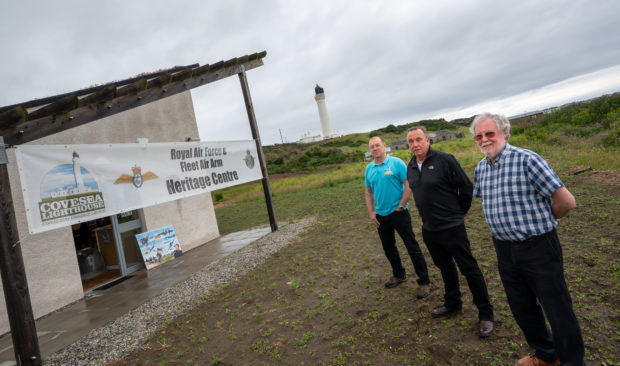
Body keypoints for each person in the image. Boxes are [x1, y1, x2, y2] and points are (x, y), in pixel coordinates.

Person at [471, 113, 585, 366]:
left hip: (539, 246)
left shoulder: (527, 160)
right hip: (504, 249)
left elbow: (567, 202)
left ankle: (572, 362)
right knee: (522, 307)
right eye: (479, 136)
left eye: (489, 133)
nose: (484, 139)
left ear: (503, 132)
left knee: (558, 310)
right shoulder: (481, 168)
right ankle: (546, 355)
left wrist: (546, 221)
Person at [406, 126, 494, 338]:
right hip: (430, 229)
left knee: (469, 268)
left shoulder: (445, 160)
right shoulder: (410, 166)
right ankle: (453, 303)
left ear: (427, 140)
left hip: (452, 227)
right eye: (411, 141)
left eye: (419, 139)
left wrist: (460, 212)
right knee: (445, 267)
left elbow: (465, 187)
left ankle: (486, 314)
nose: (415, 144)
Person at [364, 136, 431, 298]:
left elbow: (409, 184)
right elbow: (368, 191)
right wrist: (371, 213)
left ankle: (424, 281)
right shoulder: (369, 168)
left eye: (377, 145)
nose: (375, 148)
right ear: (370, 150)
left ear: (384, 146)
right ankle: (399, 274)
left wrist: (401, 205)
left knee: (412, 247)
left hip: (399, 213)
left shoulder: (397, 163)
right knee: (389, 248)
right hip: (381, 216)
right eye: (372, 146)